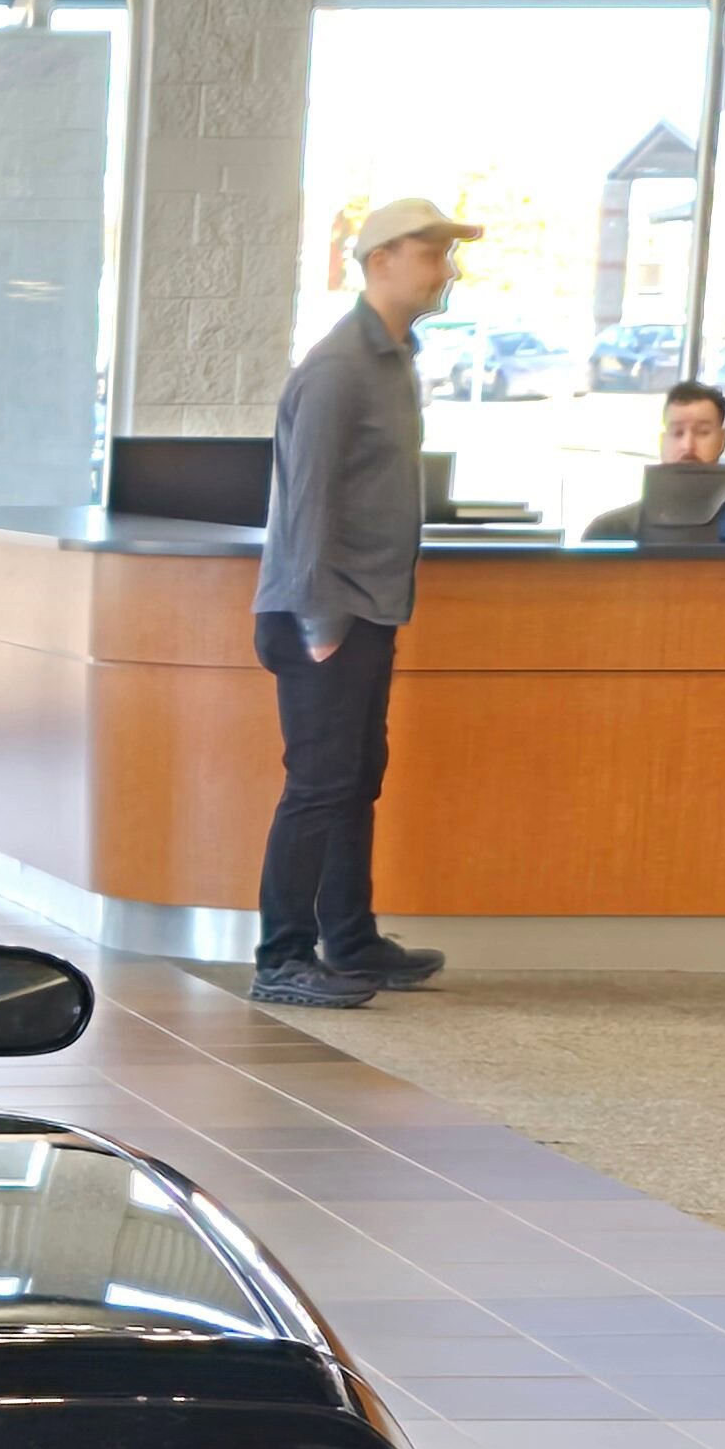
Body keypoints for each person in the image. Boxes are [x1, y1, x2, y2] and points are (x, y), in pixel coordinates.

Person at [250, 196, 479, 1008]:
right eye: (432, 254)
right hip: (324, 612)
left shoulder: (392, 356)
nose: (445, 269)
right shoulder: (340, 365)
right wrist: (318, 621)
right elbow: (307, 500)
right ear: (382, 259)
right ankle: (282, 956)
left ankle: (349, 940)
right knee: (318, 783)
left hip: (365, 606)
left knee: (355, 775)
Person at [578, 382, 725, 542]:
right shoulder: (609, 531)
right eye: (677, 433)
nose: (688, 446)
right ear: (662, 442)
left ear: (723, 440)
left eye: (702, 432)